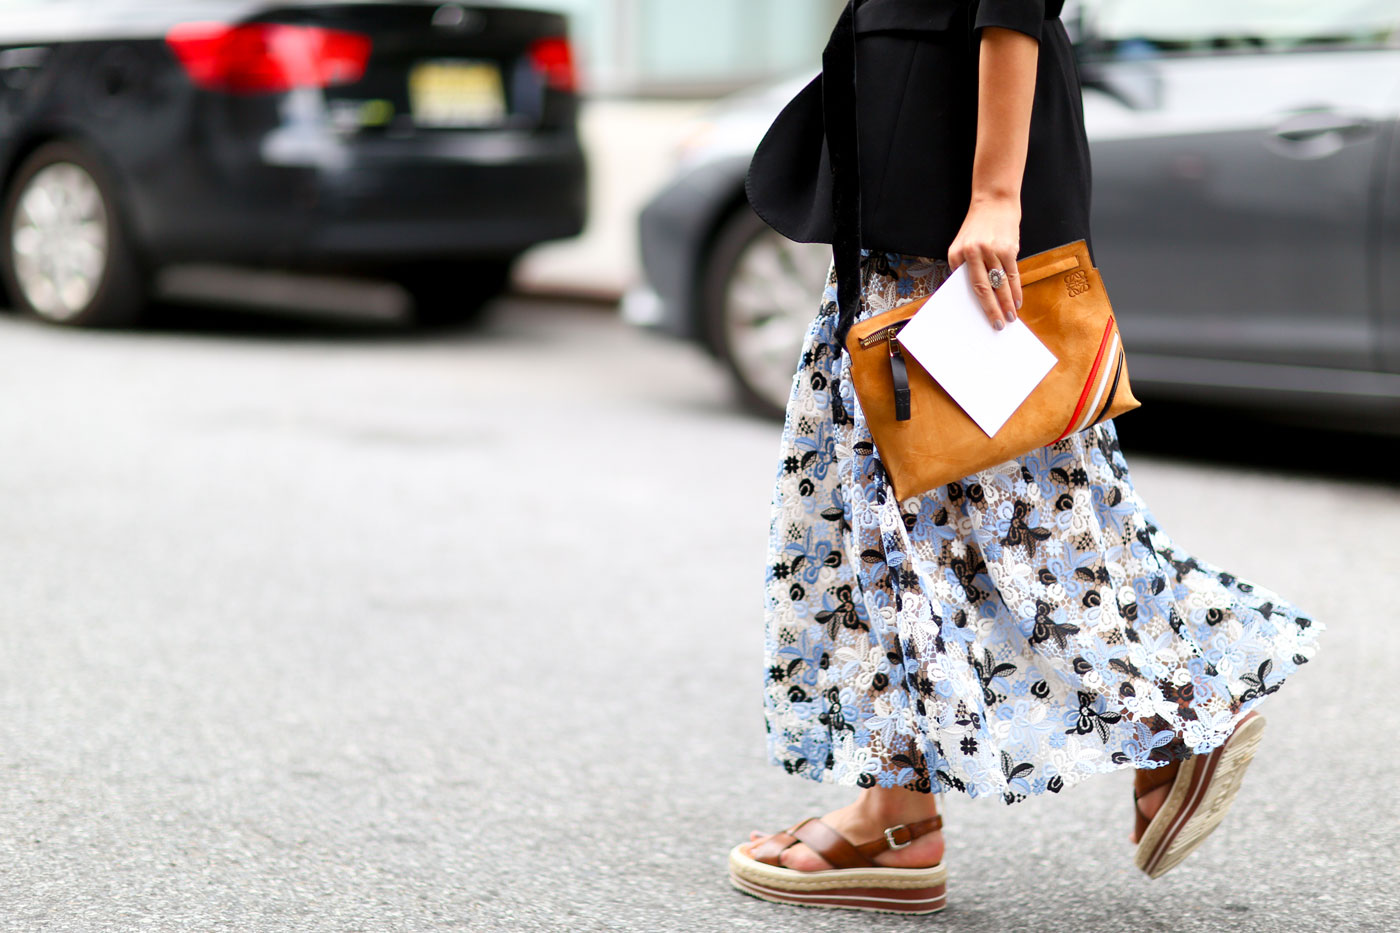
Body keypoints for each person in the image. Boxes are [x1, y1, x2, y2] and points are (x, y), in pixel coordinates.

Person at [728, 0, 1323, 915]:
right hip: (908, 184)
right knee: (901, 515)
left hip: (946, 205)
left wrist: (995, 195)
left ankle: (1181, 705)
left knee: (986, 505)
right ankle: (900, 812)